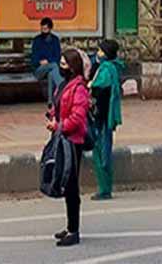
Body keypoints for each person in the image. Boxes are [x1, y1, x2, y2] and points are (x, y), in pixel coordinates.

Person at [47, 48, 90, 247]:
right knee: (65, 183)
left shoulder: (79, 88)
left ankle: (74, 231)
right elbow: (58, 106)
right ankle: (70, 226)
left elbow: (78, 118)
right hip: (62, 138)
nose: (61, 67)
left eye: (64, 64)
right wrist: (53, 115)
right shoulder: (64, 85)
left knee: (71, 186)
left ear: (72, 67)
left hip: (73, 141)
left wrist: (59, 126)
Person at [88, 39, 124, 201]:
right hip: (105, 115)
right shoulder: (113, 68)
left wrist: (90, 86)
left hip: (102, 116)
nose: (98, 54)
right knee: (104, 148)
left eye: (101, 51)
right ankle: (104, 187)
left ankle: (104, 189)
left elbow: (98, 88)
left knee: (102, 152)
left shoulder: (106, 70)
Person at [31, 17, 62, 107]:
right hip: (38, 70)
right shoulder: (37, 40)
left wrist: (47, 61)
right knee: (54, 66)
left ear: (50, 29)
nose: (43, 31)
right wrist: (40, 62)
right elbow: (34, 58)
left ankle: (50, 102)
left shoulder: (55, 40)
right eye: (42, 28)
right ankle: (62, 88)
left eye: (45, 29)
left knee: (51, 73)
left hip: (50, 67)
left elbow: (57, 56)